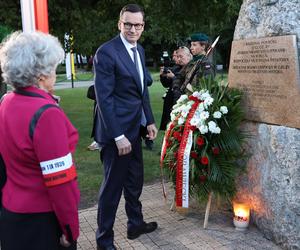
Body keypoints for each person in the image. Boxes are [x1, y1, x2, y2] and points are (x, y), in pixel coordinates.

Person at [0, 32, 80, 250]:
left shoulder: (6, 101)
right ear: (41, 74)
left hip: (12, 217)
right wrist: (70, 229)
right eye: (53, 67)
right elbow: (60, 182)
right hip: (42, 222)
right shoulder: (46, 114)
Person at [93, 4, 158, 250]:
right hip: (116, 135)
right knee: (112, 189)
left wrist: (149, 120)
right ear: (119, 24)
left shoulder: (139, 50)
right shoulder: (107, 52)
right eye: (128, 24)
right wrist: (118, 136)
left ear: (143, 26)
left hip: (135, 130)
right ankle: (103, 241)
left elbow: (142, 91)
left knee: (134, 182)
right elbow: (104, 99)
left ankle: (135, 224)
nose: (133, 29)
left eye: (138, 25)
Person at [172, 33, 215, 102]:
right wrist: (176, 89)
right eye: (191, 45)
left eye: (194, 45)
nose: (191, 48)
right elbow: (179, 76)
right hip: (185, 99)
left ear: (203, 47)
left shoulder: (206, 64)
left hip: (197, 101)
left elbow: (207, 87)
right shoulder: (191, 63)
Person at [159, 47, 192, 130]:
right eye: (177, 57)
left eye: (181, 57)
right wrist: (163, 76)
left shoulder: (192, 68)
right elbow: (166, 84)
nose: (178, 59)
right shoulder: (176, 68)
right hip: (171, 99)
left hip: (184, 100)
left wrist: (173, 77)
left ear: (188, 56)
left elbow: (186, 85)